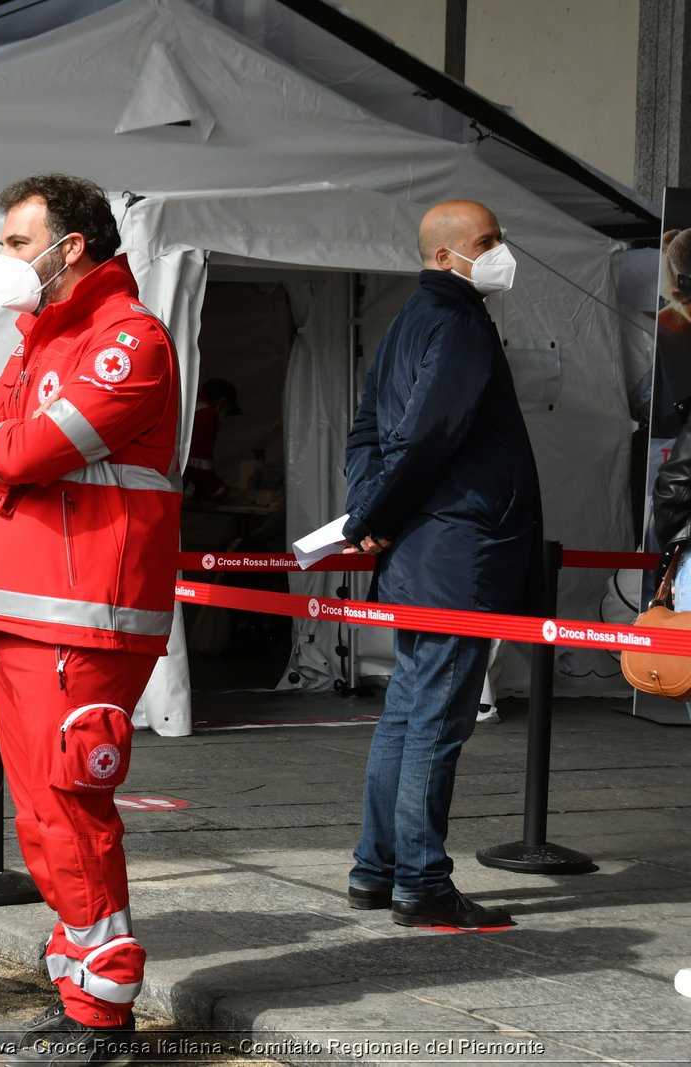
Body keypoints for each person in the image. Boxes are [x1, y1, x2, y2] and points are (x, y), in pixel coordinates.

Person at [0, 174, 181, 1066]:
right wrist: (2, 455)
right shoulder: (42, 340)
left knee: (72, 811)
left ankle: (102, 1018)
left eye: (15, 242)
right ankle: (76, 989)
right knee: (41, 815)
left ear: (70, 245)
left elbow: (21, 448)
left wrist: (4, 455)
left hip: (85, 617)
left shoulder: (129, 339)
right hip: (23, 613)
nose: (4, 260)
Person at [341, 199, 542, 931]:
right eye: (488, 241)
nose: (501, 252)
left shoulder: (406, 320)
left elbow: (367, 427)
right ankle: (421, 879)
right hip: (457, 551)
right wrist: (375, 518)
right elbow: (428, 436)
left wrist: (370, 514)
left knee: (406, 711)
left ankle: (377, 868)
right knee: (435, 719)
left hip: (422, 549)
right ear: (443, 255)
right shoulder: (459, 324)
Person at [183, 377, 238, 501]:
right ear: (222, 401)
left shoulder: (187, 404)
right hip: (174, 480)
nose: (224, 413)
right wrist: (219, 490)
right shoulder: (207, 415)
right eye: (226, 408)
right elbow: (198, 461)